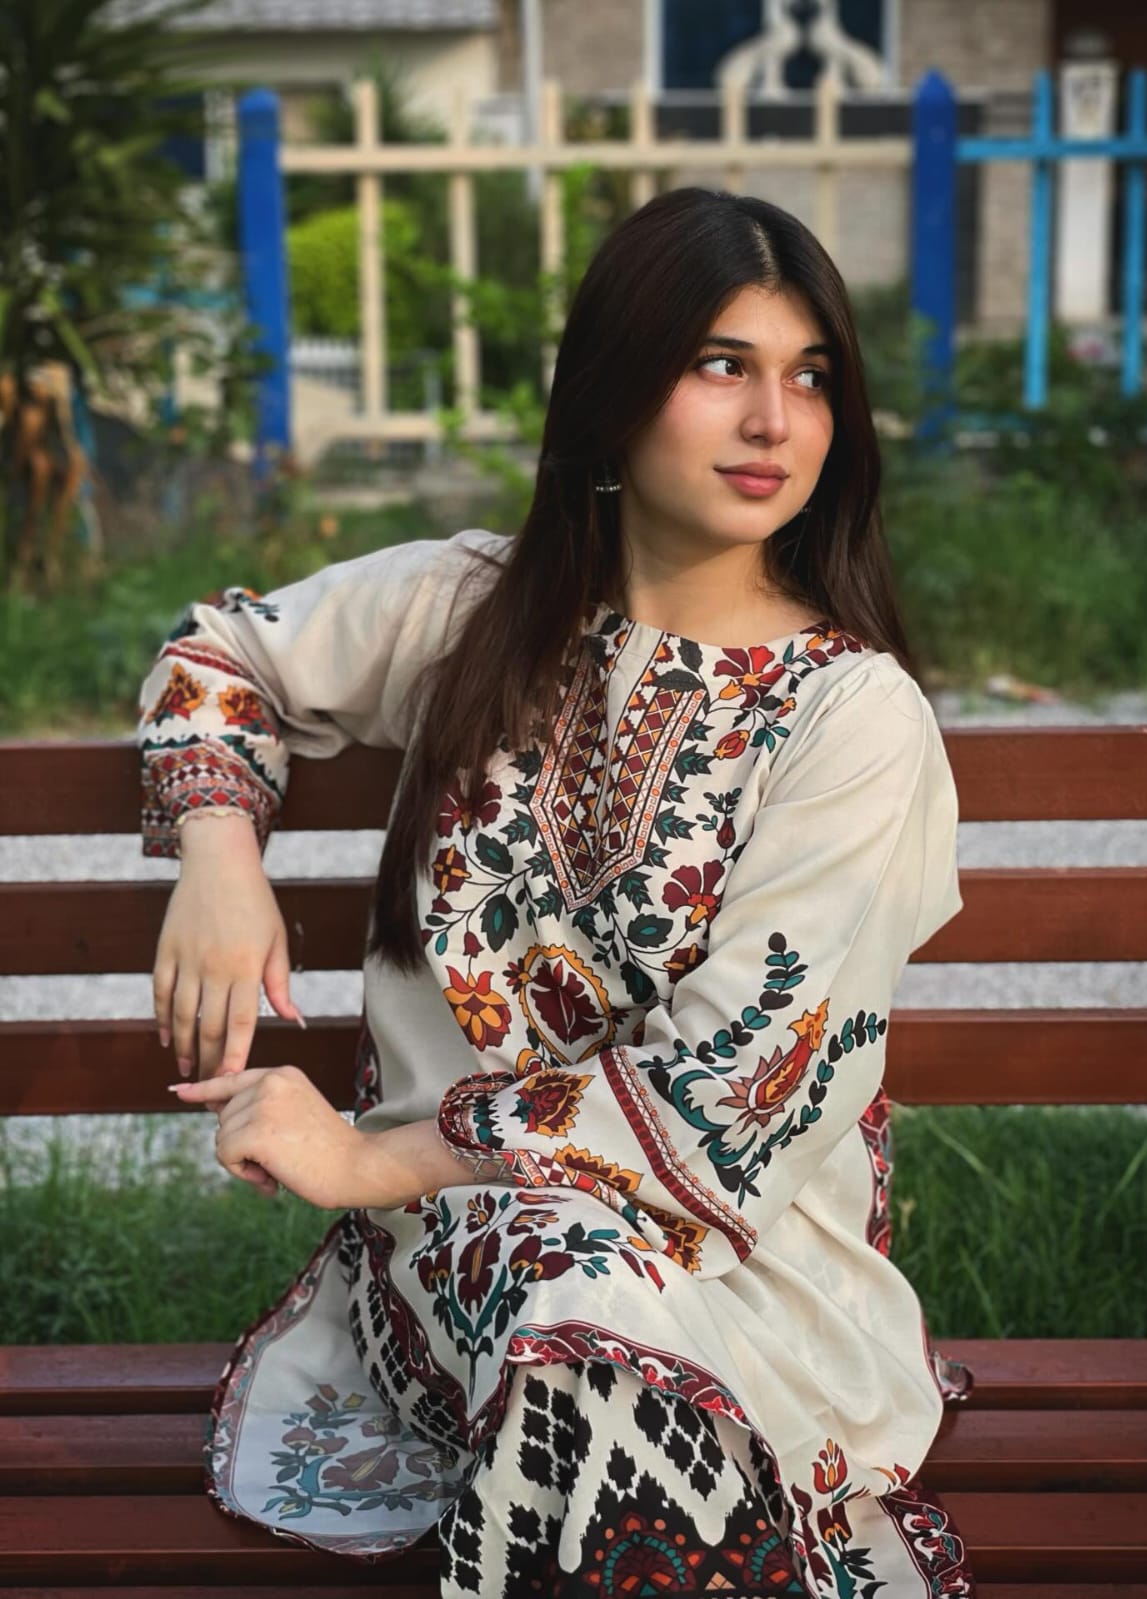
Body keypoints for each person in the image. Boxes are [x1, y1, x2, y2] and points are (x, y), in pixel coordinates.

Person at [137, 187, 978, 1596]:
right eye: (724, 365)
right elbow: (219, 656)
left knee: (586, 1331)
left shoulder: (855, 720)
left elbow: (721, 1103)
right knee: (563, 1310)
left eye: (811, 376)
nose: (777, 422)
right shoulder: (474, 612)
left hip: (740, 1282)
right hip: (455, 1256)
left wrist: (360, 1159)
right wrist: (220, 858)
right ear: (614, 388)